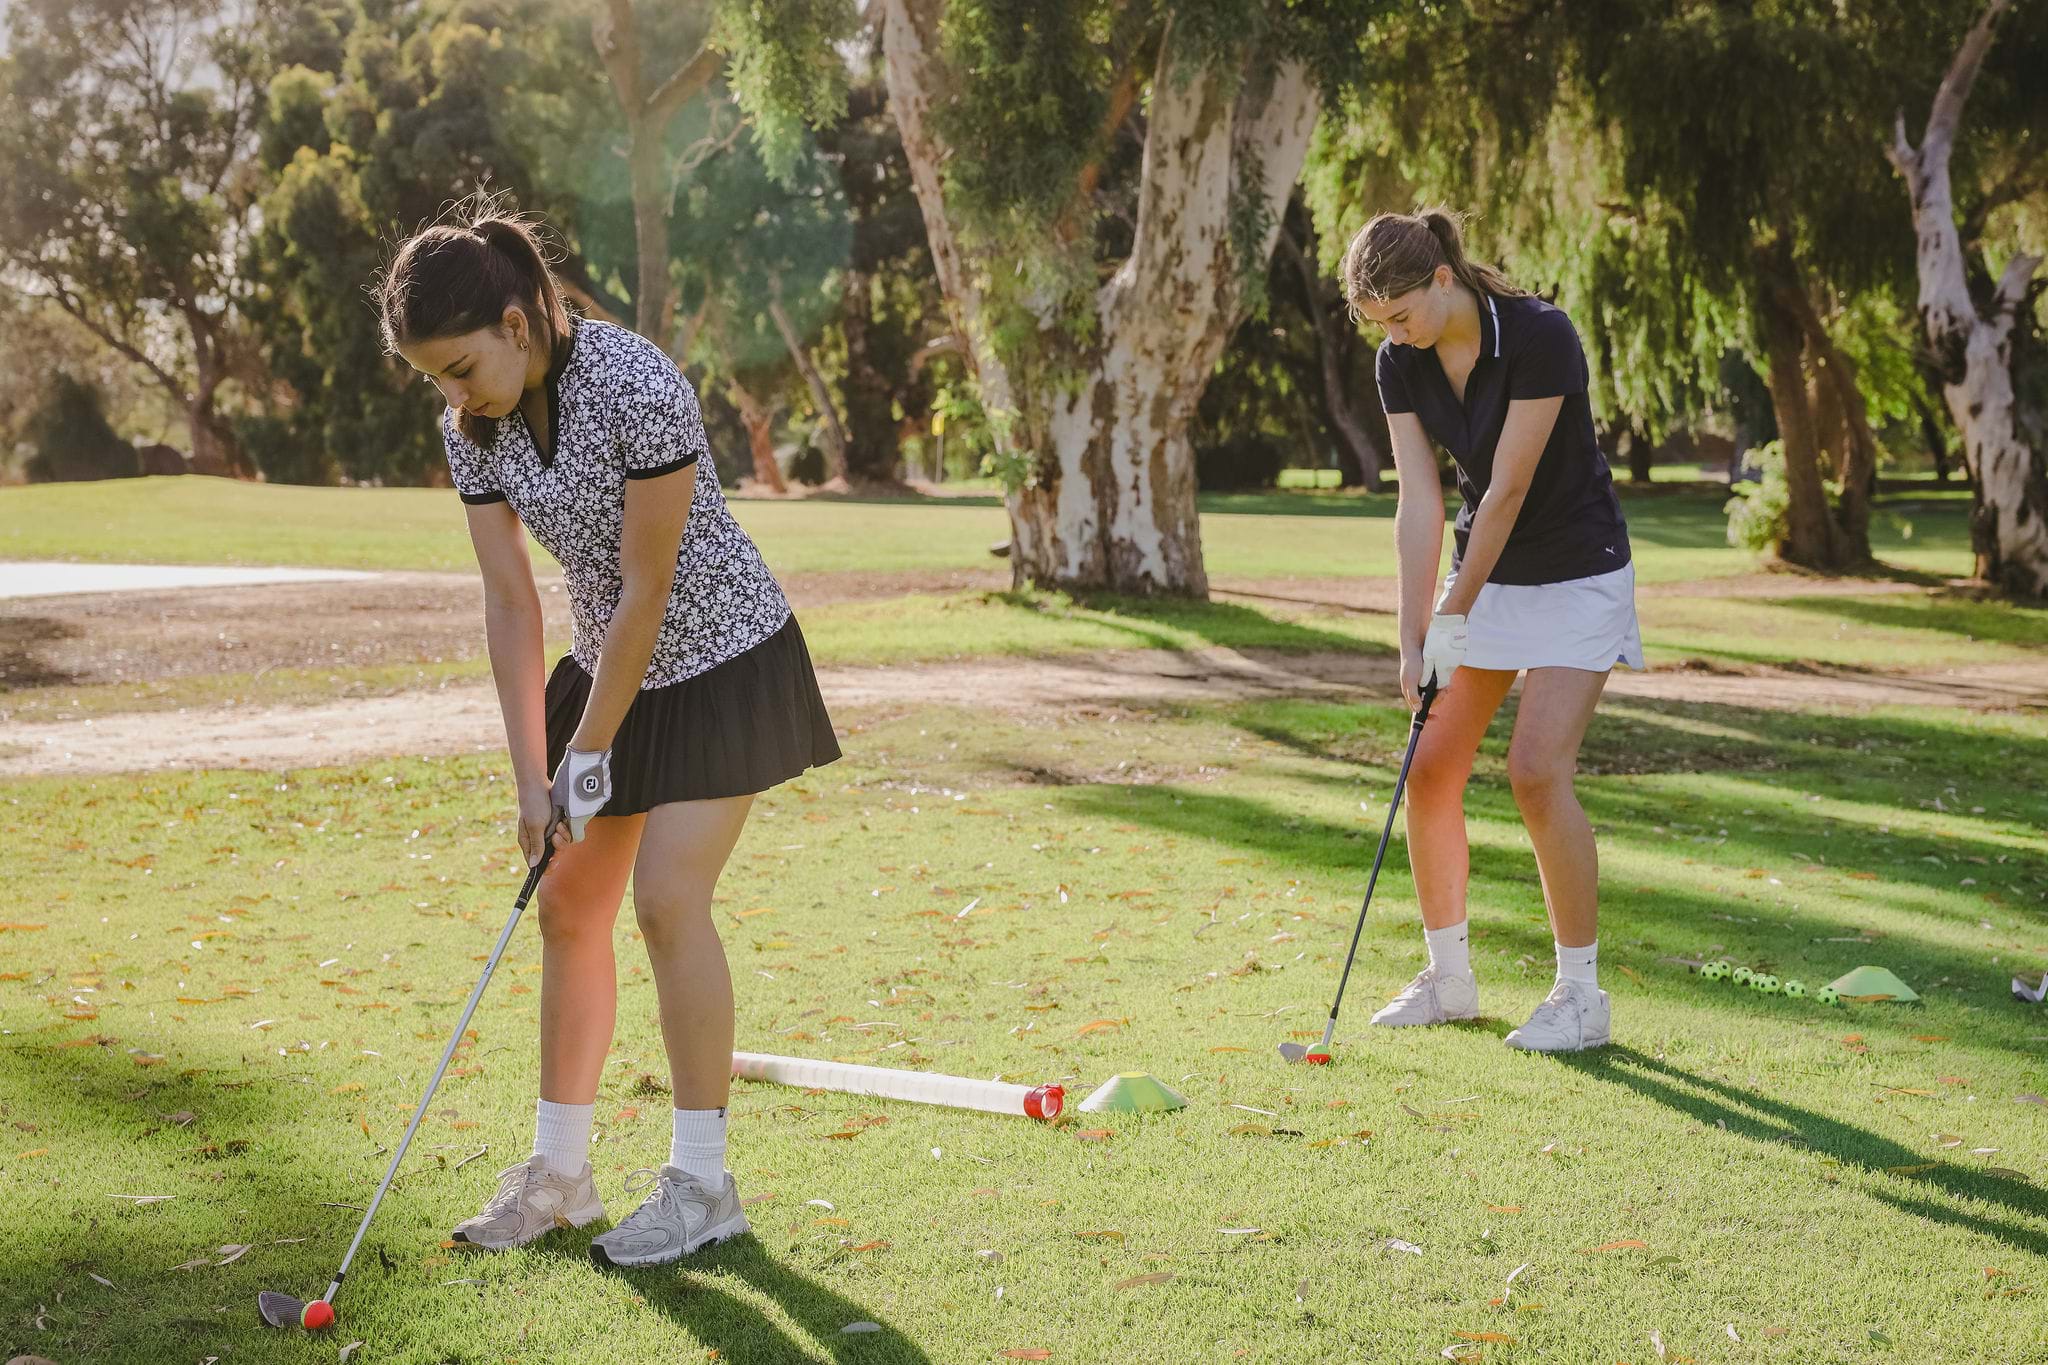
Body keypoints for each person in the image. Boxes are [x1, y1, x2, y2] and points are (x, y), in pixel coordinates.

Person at [375, 203, 840, 1265]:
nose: (452, 397)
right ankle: (559, 1176)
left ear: (515, 319)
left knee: (668, 902)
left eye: (459, 366)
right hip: (606, 671)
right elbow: (509, 605)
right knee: (567, 907)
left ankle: (702, 1184)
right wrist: (534, 778)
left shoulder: (636, 384)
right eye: (432, 381)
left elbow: (646, 587)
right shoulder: (472, 431)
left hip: (721, 661)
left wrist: (586, 752)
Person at [1341, 207, 1642, 1053]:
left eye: (1400, 315)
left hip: (1579, 570)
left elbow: (1506, 489)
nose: (1394, 336)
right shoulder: (1398, 362)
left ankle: (1580, 997)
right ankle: (1450, 979)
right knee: (1430, 768)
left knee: (1536, 770)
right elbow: (1422, 499)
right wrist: (1411, 636)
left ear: (1442, 277)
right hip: (1487, 573)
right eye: (1379, 325)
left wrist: (1451, 614)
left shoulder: (1542, 335)